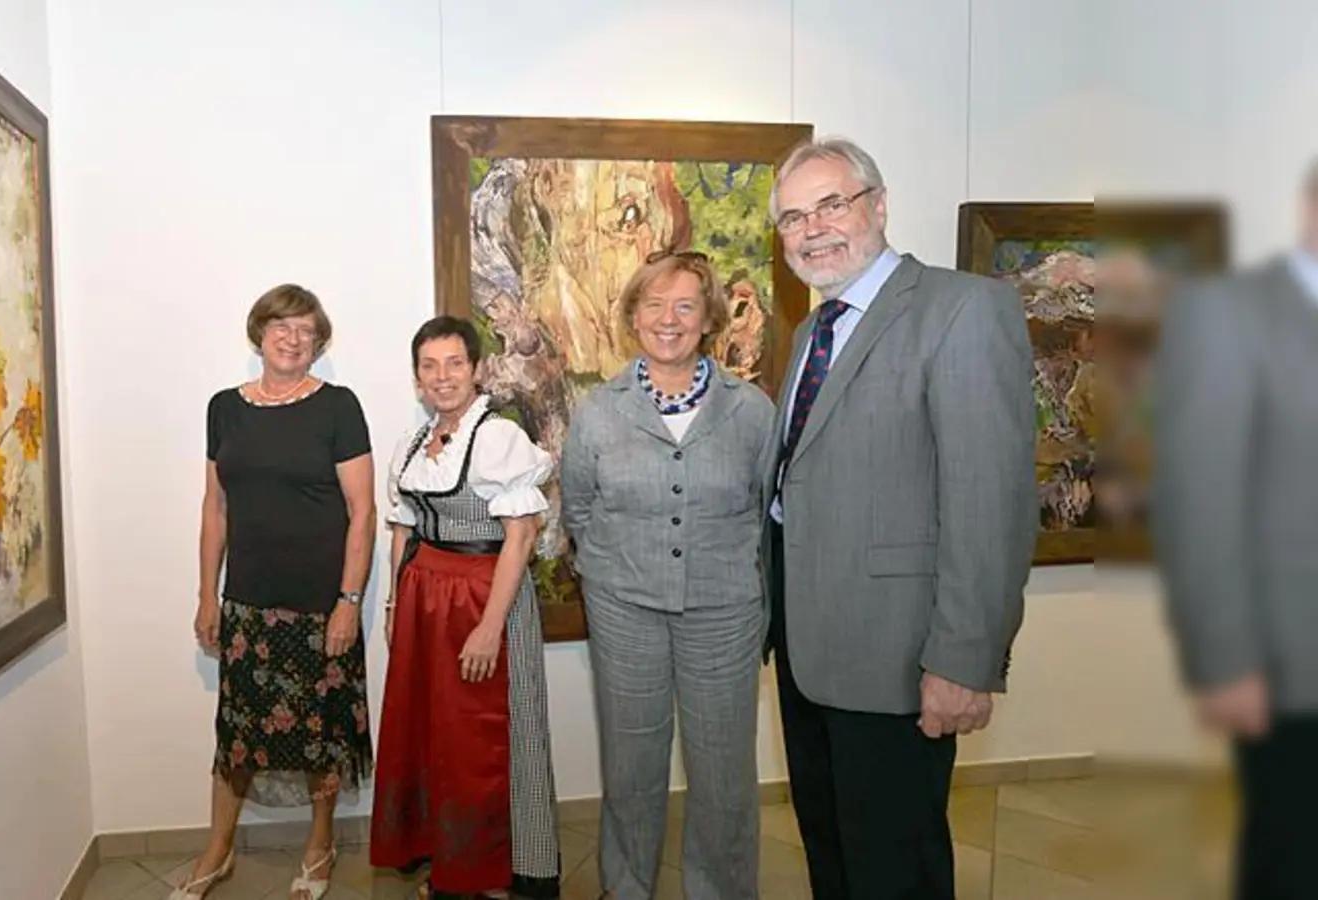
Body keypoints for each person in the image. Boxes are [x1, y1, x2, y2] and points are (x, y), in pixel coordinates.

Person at [758, 137, 1037, 900]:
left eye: (830, 205)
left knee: (895, 866)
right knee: (833, 853)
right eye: (791, 218)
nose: (811, 230)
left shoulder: (962, 310)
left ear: (878, 206)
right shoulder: (813, 332)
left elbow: (992, 504)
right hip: (810, 653)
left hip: (900, 661)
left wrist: (963, 660)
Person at [559, 249, 777, 900]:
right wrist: (615, 574)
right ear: (633, 317)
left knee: (723, 775)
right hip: (625, 614)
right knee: (631, 768)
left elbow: (770, 513)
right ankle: (627, 888)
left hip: (725, 613)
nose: (669, 319)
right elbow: (578, 509)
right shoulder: (599, 411)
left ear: (709, 317)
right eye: (653, 305)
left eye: (685, 305)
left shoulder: (751, 411)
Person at [1150, 160, 1318, 900]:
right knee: (1292, 854)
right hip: (1290, 666)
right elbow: (1200, 498)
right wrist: (1224, 659)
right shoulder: (1230, 315)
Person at [177, 284, 376, 900]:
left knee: (319, 734)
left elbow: (362, 513)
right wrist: (208, 596)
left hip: (320, 605)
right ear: (259, 332)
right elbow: (216, 509)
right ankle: (219, 851)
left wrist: (348, 603)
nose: (294, 339)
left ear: (319, 343)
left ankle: (320, 845)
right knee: (237, 735)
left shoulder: (337, 406)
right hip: (247, 602)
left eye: (307, 331)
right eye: (283, 327)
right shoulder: (224, 409)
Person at [370, 315, 563, 899]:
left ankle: (498, 872)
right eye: (429, 366)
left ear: (477, 369)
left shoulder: (499, 437)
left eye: (454, 363)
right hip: (425, 603)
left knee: (487, 739)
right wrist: (392, 605)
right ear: (416, 378)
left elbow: (521, 536)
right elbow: (403, 530)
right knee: (436, 737)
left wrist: (488, 629)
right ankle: (447, 861)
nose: (442, 376)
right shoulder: (412, 445)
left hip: (483, 600)